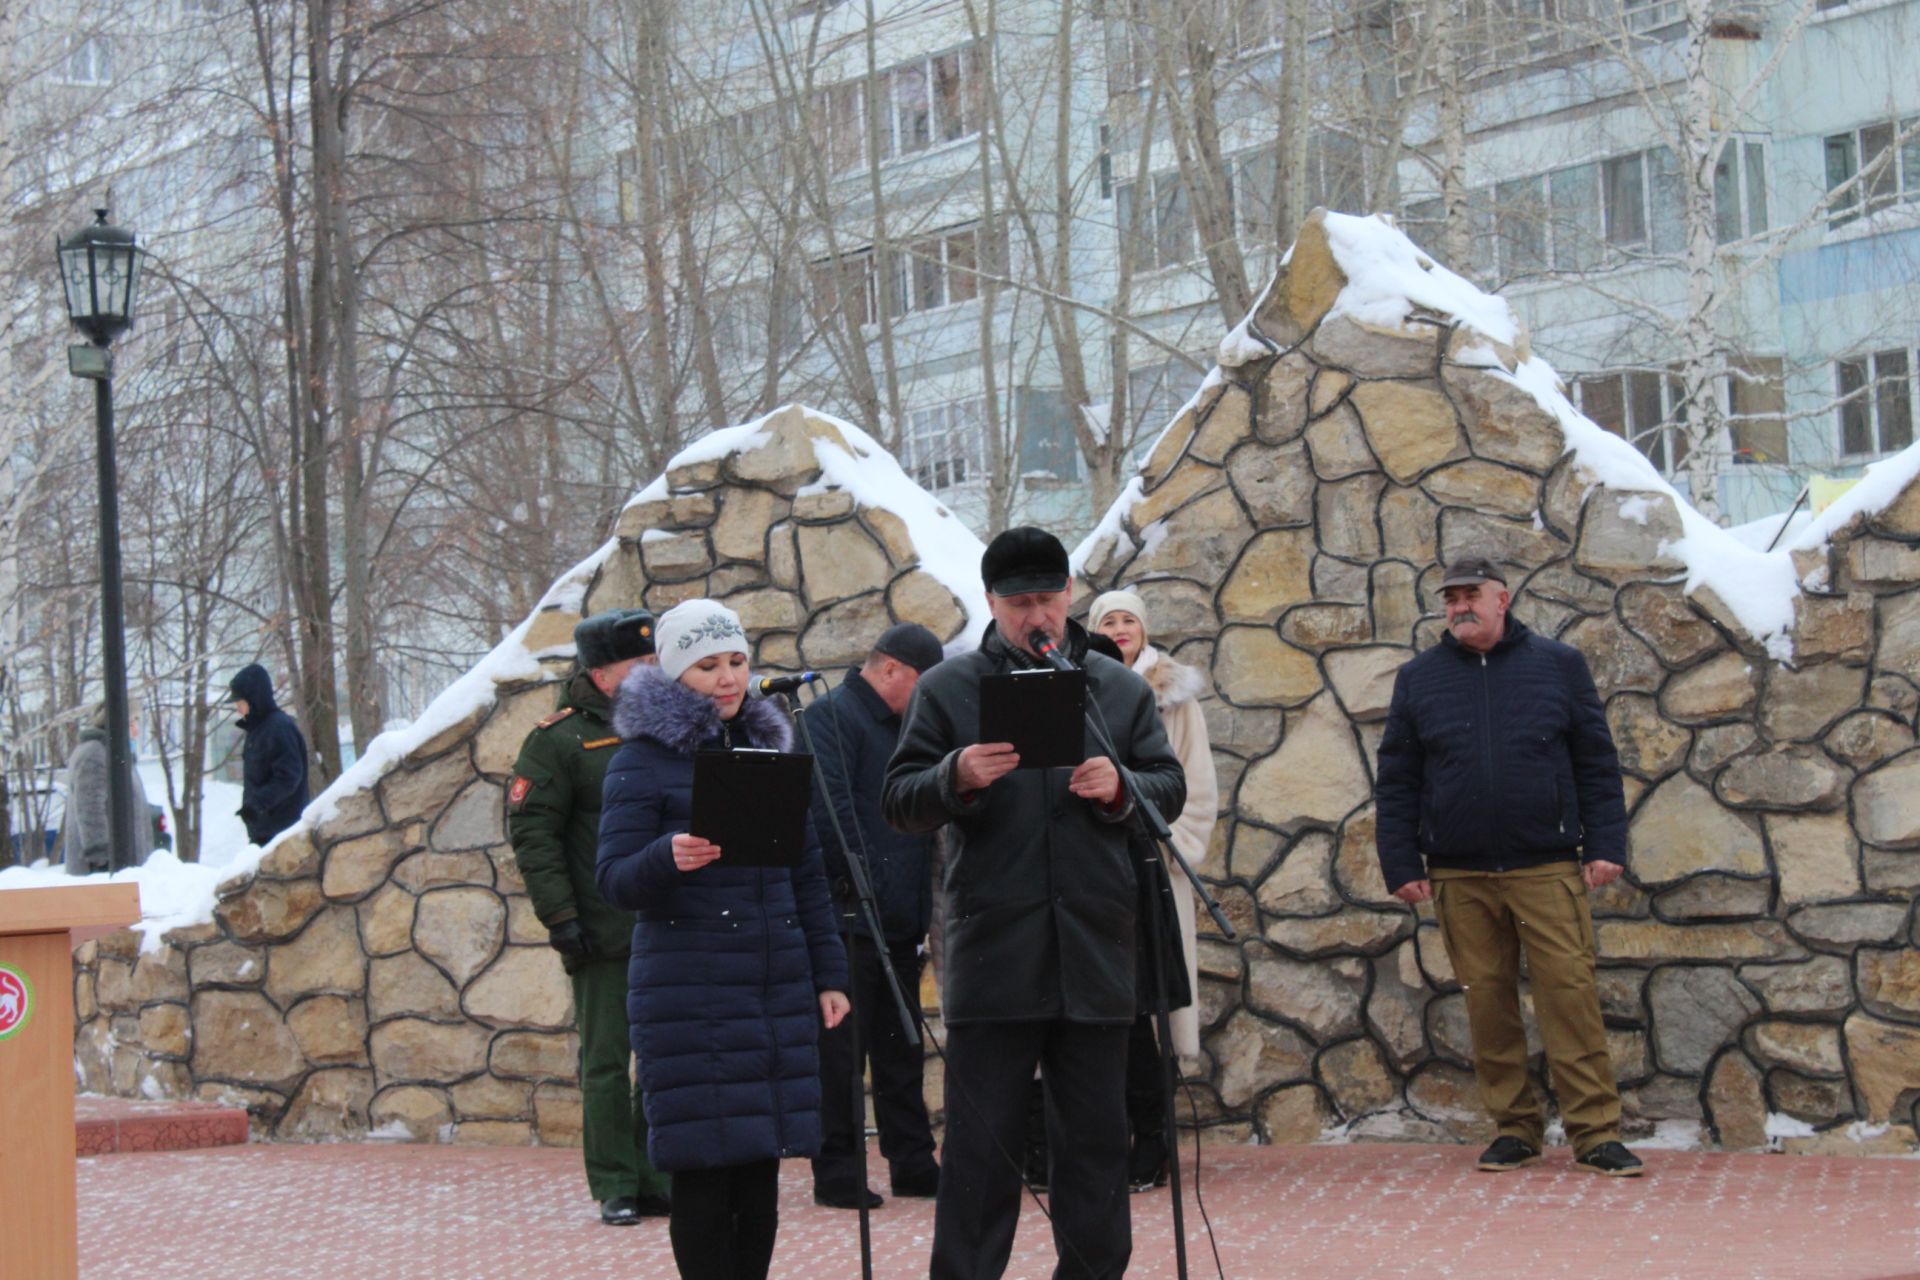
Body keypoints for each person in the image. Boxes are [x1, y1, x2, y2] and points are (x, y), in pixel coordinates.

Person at [883, 527, 1186, 1280]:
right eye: (1019, 604)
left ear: (1070, 596)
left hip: (1094, 952)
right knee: (983, 1159)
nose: (1036, 616)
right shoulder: (949, 690)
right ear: (992, 603)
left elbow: (1167, 789)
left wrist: (1124, 790)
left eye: (1048, 600)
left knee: (1093, 1152)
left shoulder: (1115, 687)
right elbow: (898, 800)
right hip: (996, 958)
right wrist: (956, 774)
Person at [595, 599, 850, 1280]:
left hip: (771, 990)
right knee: (706, 1177)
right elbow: (614, 880)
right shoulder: (640, 761)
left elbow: (808, 876)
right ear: (676, 674)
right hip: (690, 995)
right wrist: (665, 857)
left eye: (736, 661)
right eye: (708, 665)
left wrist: (830, 975)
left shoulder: (770, 749)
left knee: (759, 1179)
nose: (728, 677)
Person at [1374, 556, 1644, 1178]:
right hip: (1457, 873)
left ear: (1503, 599)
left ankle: (1596, 1134)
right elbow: (1398, 779)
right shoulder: (1419, 679)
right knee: (1486, 1003)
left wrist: (1606, 844)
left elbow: (1596, 763)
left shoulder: (1559, 666)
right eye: (1451, 599)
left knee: (1569, 997)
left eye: (1471, 595)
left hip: (1546, 865)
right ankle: (1515, 1130)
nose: (1460, 607)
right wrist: (1400, 859)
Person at [508, 609, 674, 1226]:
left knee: (659, 1057)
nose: (654, 673)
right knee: (607, 1060)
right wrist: (560, 917)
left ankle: (654, 1171)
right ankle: (614, 1181)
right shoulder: (557, 741)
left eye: (656, 662)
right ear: (603, 676)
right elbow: (534, 836)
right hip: (601, 927)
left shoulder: (665, 726)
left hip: (666, 921)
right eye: (642, 665)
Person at [805, 622, 947, 1211]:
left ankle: (912, 1161)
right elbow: (830, 814)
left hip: (897, 919)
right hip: (847, 916)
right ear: (890, 670)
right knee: (841, 1057)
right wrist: (865, 886)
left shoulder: (904, 727)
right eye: (921, 684)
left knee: (900, 1050)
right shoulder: (829, 718)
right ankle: (837, 1172)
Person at [1086, 589, 1217, 1192]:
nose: (1118, 630)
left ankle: (1153, 1138)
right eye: (1107, 621)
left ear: (1144, 631)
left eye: (1128, 621)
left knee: (1149, 1013)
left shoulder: (1173, 700)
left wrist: (1170, 846)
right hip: (1094, 872)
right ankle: (1105, 1141)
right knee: (1105, 1014)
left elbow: (1195, 782)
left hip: (1150, 870)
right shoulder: (1082, 692)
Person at [225, 663, 309, 846]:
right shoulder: (258, 731)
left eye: (240, 702)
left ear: (254, 699)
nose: (237, 708)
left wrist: (258, 804)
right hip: (264, 831)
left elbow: (288, 777)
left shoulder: (279, 729)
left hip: (282, 833)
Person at [61, 712, 153, 874]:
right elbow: (90, 808)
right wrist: (100, 858)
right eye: (132, 723)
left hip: (121, 870)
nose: (137, 732)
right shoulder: (95, 753)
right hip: (103, 874)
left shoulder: (117, 755)